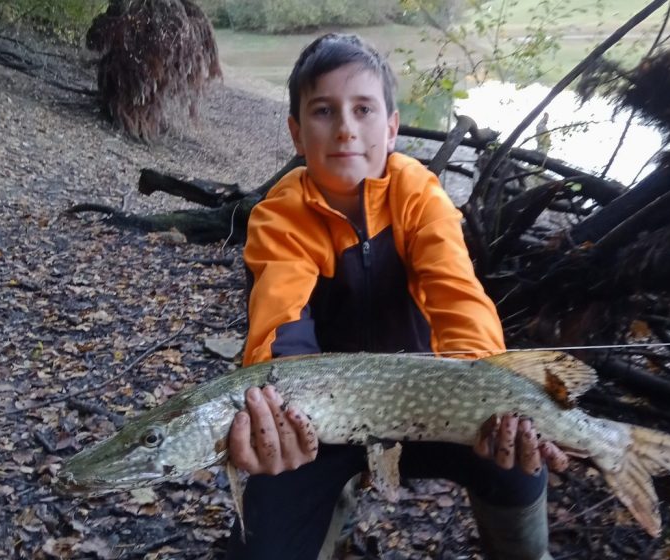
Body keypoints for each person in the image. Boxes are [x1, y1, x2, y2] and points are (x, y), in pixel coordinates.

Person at [224, 33, 568, 560]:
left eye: (363, 109)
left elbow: (459, 300)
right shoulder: (279, 217)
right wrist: (281, 418)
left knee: (515, 462)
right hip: (322, 424)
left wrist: (495, 395)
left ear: (390, 127)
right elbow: (280, 332)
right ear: (296, 132)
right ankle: (330, 517)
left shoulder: (421, 196)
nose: (345, 129)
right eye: (323, 111)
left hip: (436, 410)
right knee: (261, 542)